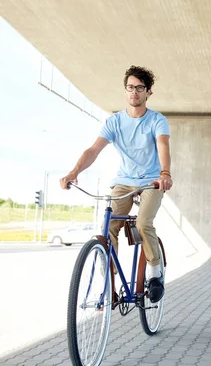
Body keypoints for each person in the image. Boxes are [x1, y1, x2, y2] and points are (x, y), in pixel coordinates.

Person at [60, 65, 172, 303]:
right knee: (109, 225)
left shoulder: (156, 120)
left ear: (148, 92)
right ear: (125, 91)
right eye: (130, 87)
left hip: (151, 181)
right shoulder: (114, 122)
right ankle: (109, 280)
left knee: (143, 223)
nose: (134, 92)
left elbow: (163, 145)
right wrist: (74, 171)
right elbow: (93, 150)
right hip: (123, 181)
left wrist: (164, 173)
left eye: (139, 88)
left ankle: (154, 271)